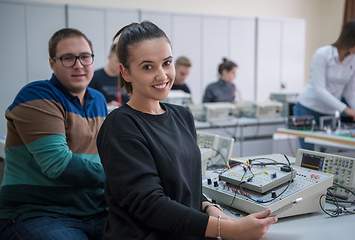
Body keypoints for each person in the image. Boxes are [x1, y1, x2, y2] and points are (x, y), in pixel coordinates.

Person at [97, 21, 277, 240]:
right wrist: (230, 230)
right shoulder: (121, 126)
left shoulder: (183, 116)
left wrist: (213, 210)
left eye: (167, 63)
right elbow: (151, 205)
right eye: (147, 67)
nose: (162, 75)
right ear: (125, 72)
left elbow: (186, 186)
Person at [0, 28, 108, 240]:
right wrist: (119, 175)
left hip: (94, 211)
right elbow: (59, 165)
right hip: (39, 213)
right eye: (68, 58)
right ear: (52, 63)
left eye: (85, 57)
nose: (78, 65)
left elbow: (106, 154)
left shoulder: (99, 100)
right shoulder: (36, 95)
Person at [293, 19, 355, 150]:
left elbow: (350, 91)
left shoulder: (352, 59)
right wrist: (347, 110)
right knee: (308, 155)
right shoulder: (323, 54)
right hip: (307, 109)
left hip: (329, 112)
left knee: (324, 157)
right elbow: (319, 90)